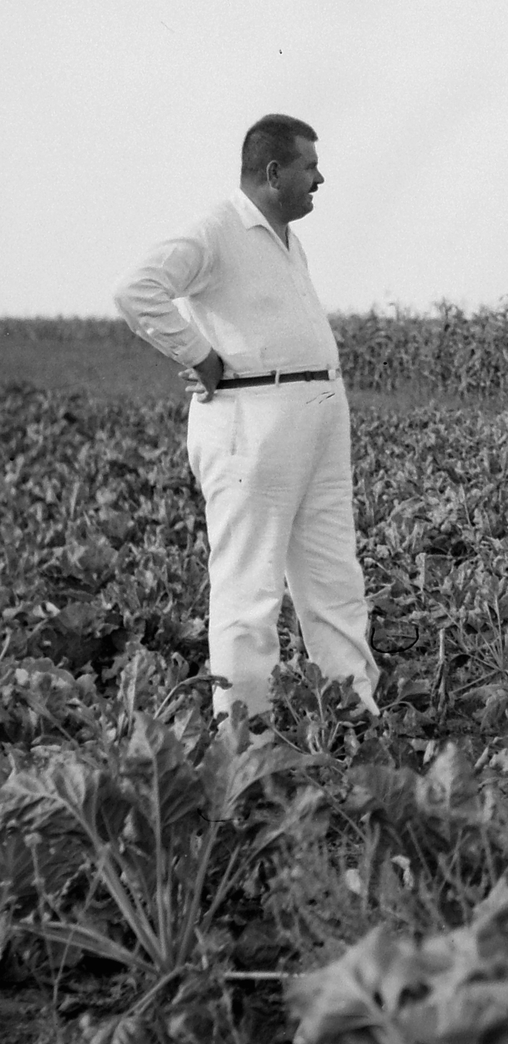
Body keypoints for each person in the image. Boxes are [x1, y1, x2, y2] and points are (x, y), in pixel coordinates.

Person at [114, 114, 381, 718]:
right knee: (249, 587)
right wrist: (198, 354)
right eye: (310, 167)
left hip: (316, 414)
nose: (320, 178)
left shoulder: (287, 239)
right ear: (272, 171)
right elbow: (138, 289)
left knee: (333, 573)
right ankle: (245, 736)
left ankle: (355, 710)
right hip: (253, 422)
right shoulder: (216, 230)